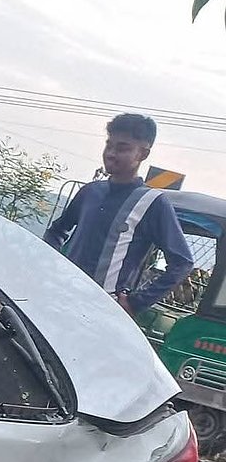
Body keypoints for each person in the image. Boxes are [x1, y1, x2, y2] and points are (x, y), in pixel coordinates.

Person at [45, 114, 195, 314]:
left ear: (143, 154)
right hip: (61, 296)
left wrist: (136, 302)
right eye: (109, 145)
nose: (111, 153)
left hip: (103, 310)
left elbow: (182, 262)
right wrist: (51, 265)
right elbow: (56, 231)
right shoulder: (90, 191)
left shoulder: (152, 203)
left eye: (122, 148)